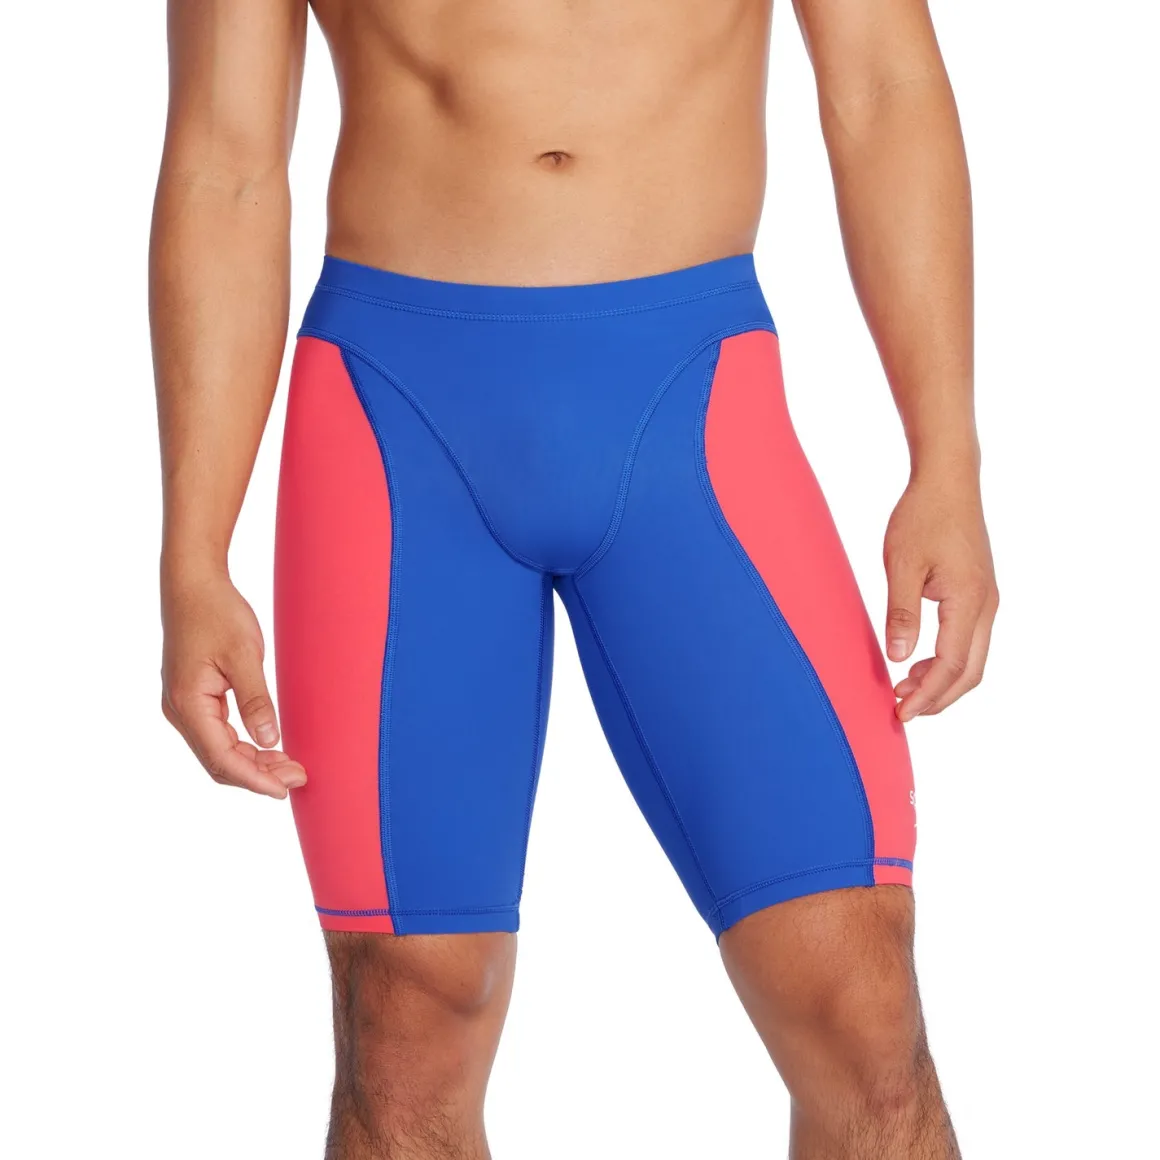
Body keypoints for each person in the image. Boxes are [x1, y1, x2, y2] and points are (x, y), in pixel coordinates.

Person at [151, 0, 997, 1155]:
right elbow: (227, 162)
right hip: (396, 425)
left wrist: (945, 456)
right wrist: (193, 552)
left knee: (857, 998)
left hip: (691, 404)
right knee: (408, 1020)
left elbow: (882, 87)